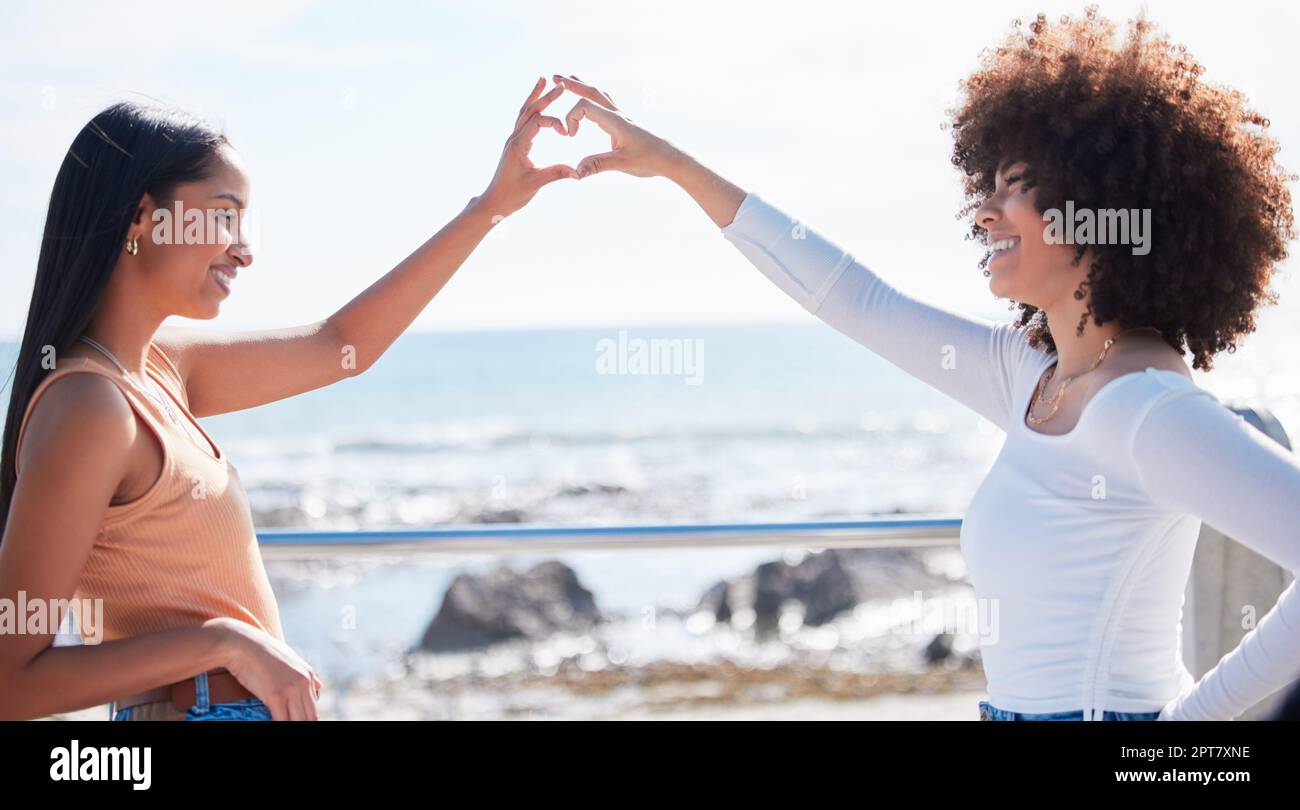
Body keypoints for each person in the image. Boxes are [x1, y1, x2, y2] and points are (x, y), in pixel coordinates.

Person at [553, 8, 1300, 720]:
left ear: (1101, 206)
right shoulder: (1033, 374)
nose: (985, 211)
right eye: (989, 186)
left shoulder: (1143, 410)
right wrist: (674, 167)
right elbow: (857, 300)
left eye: (1018, 187)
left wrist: (1190, 723)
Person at [0, 79, 577, 721]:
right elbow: (12, 680)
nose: (244, 250)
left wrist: (489, 207)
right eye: (223, 215)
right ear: (142, 217)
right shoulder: (90, 406)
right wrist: (224, 641)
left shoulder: (159, 369)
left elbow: (341, 346)